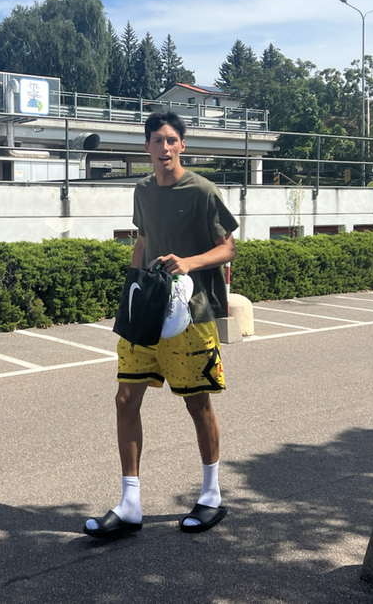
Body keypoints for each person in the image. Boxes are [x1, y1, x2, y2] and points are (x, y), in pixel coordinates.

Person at [84, 111, 238, 539]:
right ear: (147, 147)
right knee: (125, 399)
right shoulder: (143, 190)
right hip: (148, 309)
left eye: (171, 140)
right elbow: (144, 240)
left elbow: (228, 248)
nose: (165, 147)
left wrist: (189, 262)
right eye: (157, 140)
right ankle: (130, 504)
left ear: (182, 145)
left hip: (192, 313)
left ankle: (211, 495)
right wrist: (131, 293)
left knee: (197, 404)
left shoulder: (202, 190)